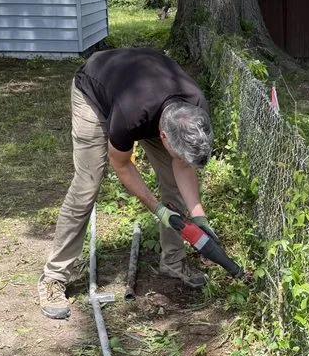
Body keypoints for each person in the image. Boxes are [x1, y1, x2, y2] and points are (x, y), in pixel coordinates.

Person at [38, 47, 217, 319]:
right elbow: (121, 164)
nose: (178, 157)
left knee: (174, 182)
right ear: (163, 137)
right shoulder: (131, 114)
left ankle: (173, 261)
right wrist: (158, 209)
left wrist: (198, 216)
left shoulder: (194, 109)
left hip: (146, 89)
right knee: (88, 184)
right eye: (174, 150)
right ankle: (54, 276)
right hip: (95, 91)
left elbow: (182, 165)